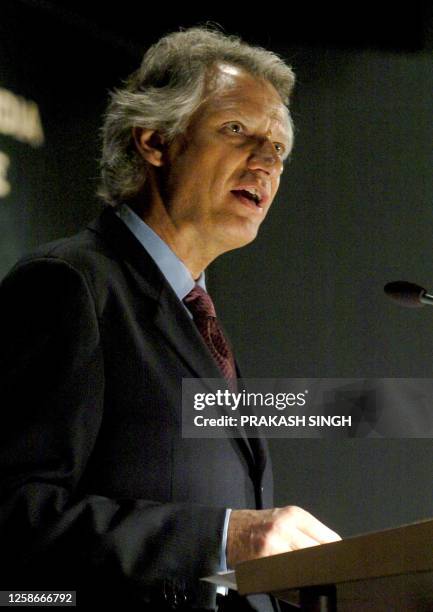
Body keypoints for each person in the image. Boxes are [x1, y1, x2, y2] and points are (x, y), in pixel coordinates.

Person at [0, 27, 340, 611]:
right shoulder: (69, 285)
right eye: (237, 131)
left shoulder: (194, 316)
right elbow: (13, 511)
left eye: (278, 148)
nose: (265, 162)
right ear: (155, 141)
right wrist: (226, 536)